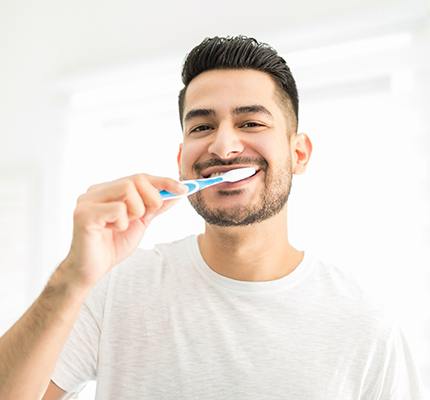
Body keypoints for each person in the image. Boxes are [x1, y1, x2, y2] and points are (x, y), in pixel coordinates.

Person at [0, 36, 424, 400]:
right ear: (181, 158)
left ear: (299, 154)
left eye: (251, 121)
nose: (223, 147)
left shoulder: (366, 325)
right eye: (201, 127)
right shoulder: (119, 289)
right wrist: (71, 278)